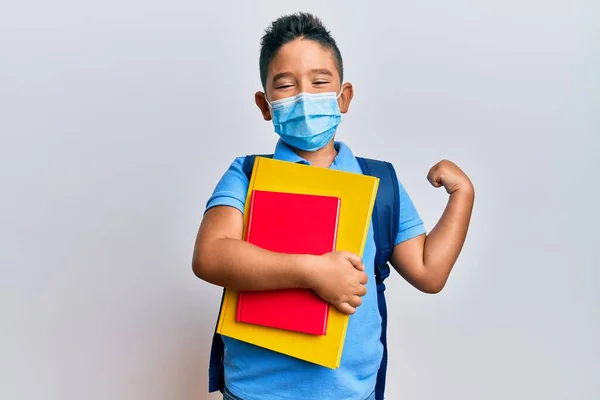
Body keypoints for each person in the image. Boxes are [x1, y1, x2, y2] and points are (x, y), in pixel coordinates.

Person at [192, 12, 474, 400]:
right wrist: (313, 271)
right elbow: (210, 255)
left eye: (320, 82)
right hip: (255, 392)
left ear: (343, 98)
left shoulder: (378, 183)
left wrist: (463, 196)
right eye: (286, 85)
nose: (305, 96)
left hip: (351, 393)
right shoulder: (247, 174)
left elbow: (428, 271)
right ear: (264, 104)